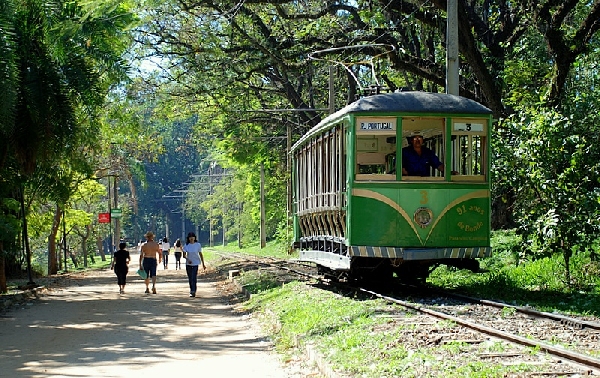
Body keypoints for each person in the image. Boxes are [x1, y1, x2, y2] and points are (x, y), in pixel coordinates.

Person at [183, 232, 205, 297]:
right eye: (190, 237)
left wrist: (203, 264)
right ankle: (191, 290)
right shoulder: (186, 245)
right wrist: (187, 259)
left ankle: (194, 291)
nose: (191, 238)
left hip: (195, 263)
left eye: (193, 237)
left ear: (195, 238)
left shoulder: (198, 245)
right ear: (188, 238)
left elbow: (200, 254)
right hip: (188, 264)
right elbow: (184, 255)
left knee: (194, 277)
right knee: (190, 278)